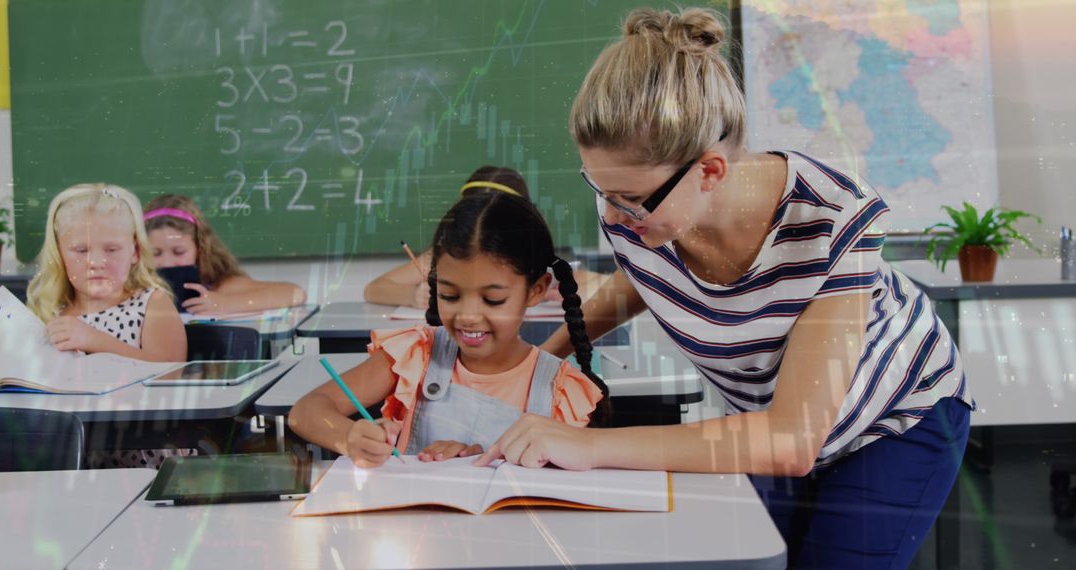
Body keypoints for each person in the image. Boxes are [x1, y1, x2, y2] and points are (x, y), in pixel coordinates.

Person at [475, 7, 972, 569]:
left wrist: (585, 447)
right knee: (743, 556)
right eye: (601, 191)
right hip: (768, 418)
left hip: (893, 416)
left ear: (709, 171)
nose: (612, 219)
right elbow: (644, 273)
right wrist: (539, 365)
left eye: (629, 202)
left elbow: (791, 441)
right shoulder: (640, 197)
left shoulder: (833, 219)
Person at [289, 192, 610, 468]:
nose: (467, 316)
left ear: (536, 290)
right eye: (449, 296)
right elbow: (305, 411)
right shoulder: (416, 355)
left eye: (493, 299)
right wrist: (349, 437)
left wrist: (481, 463)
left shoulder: (560, 392)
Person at [363, 165, 609, 309]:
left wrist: (583, 292)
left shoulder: (532, 256)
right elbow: (374, 289)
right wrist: (412, 296)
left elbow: (611, 285)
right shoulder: (447, 256)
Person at [27, 183, 186, 362]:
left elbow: (171, 371)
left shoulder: (152, 304)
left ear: (135, 252)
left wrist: (95, 340)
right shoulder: (48, 311)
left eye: (111, 250)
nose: (96, 263)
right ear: (59, 253)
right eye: (81, 250)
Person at [144, 194, 307, 314]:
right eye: (155, 254)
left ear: (200, 248)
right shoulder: (136, 289)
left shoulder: (216, 286)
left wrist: (224, 303)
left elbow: (295, 293)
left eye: (179, 252)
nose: (167, 262)